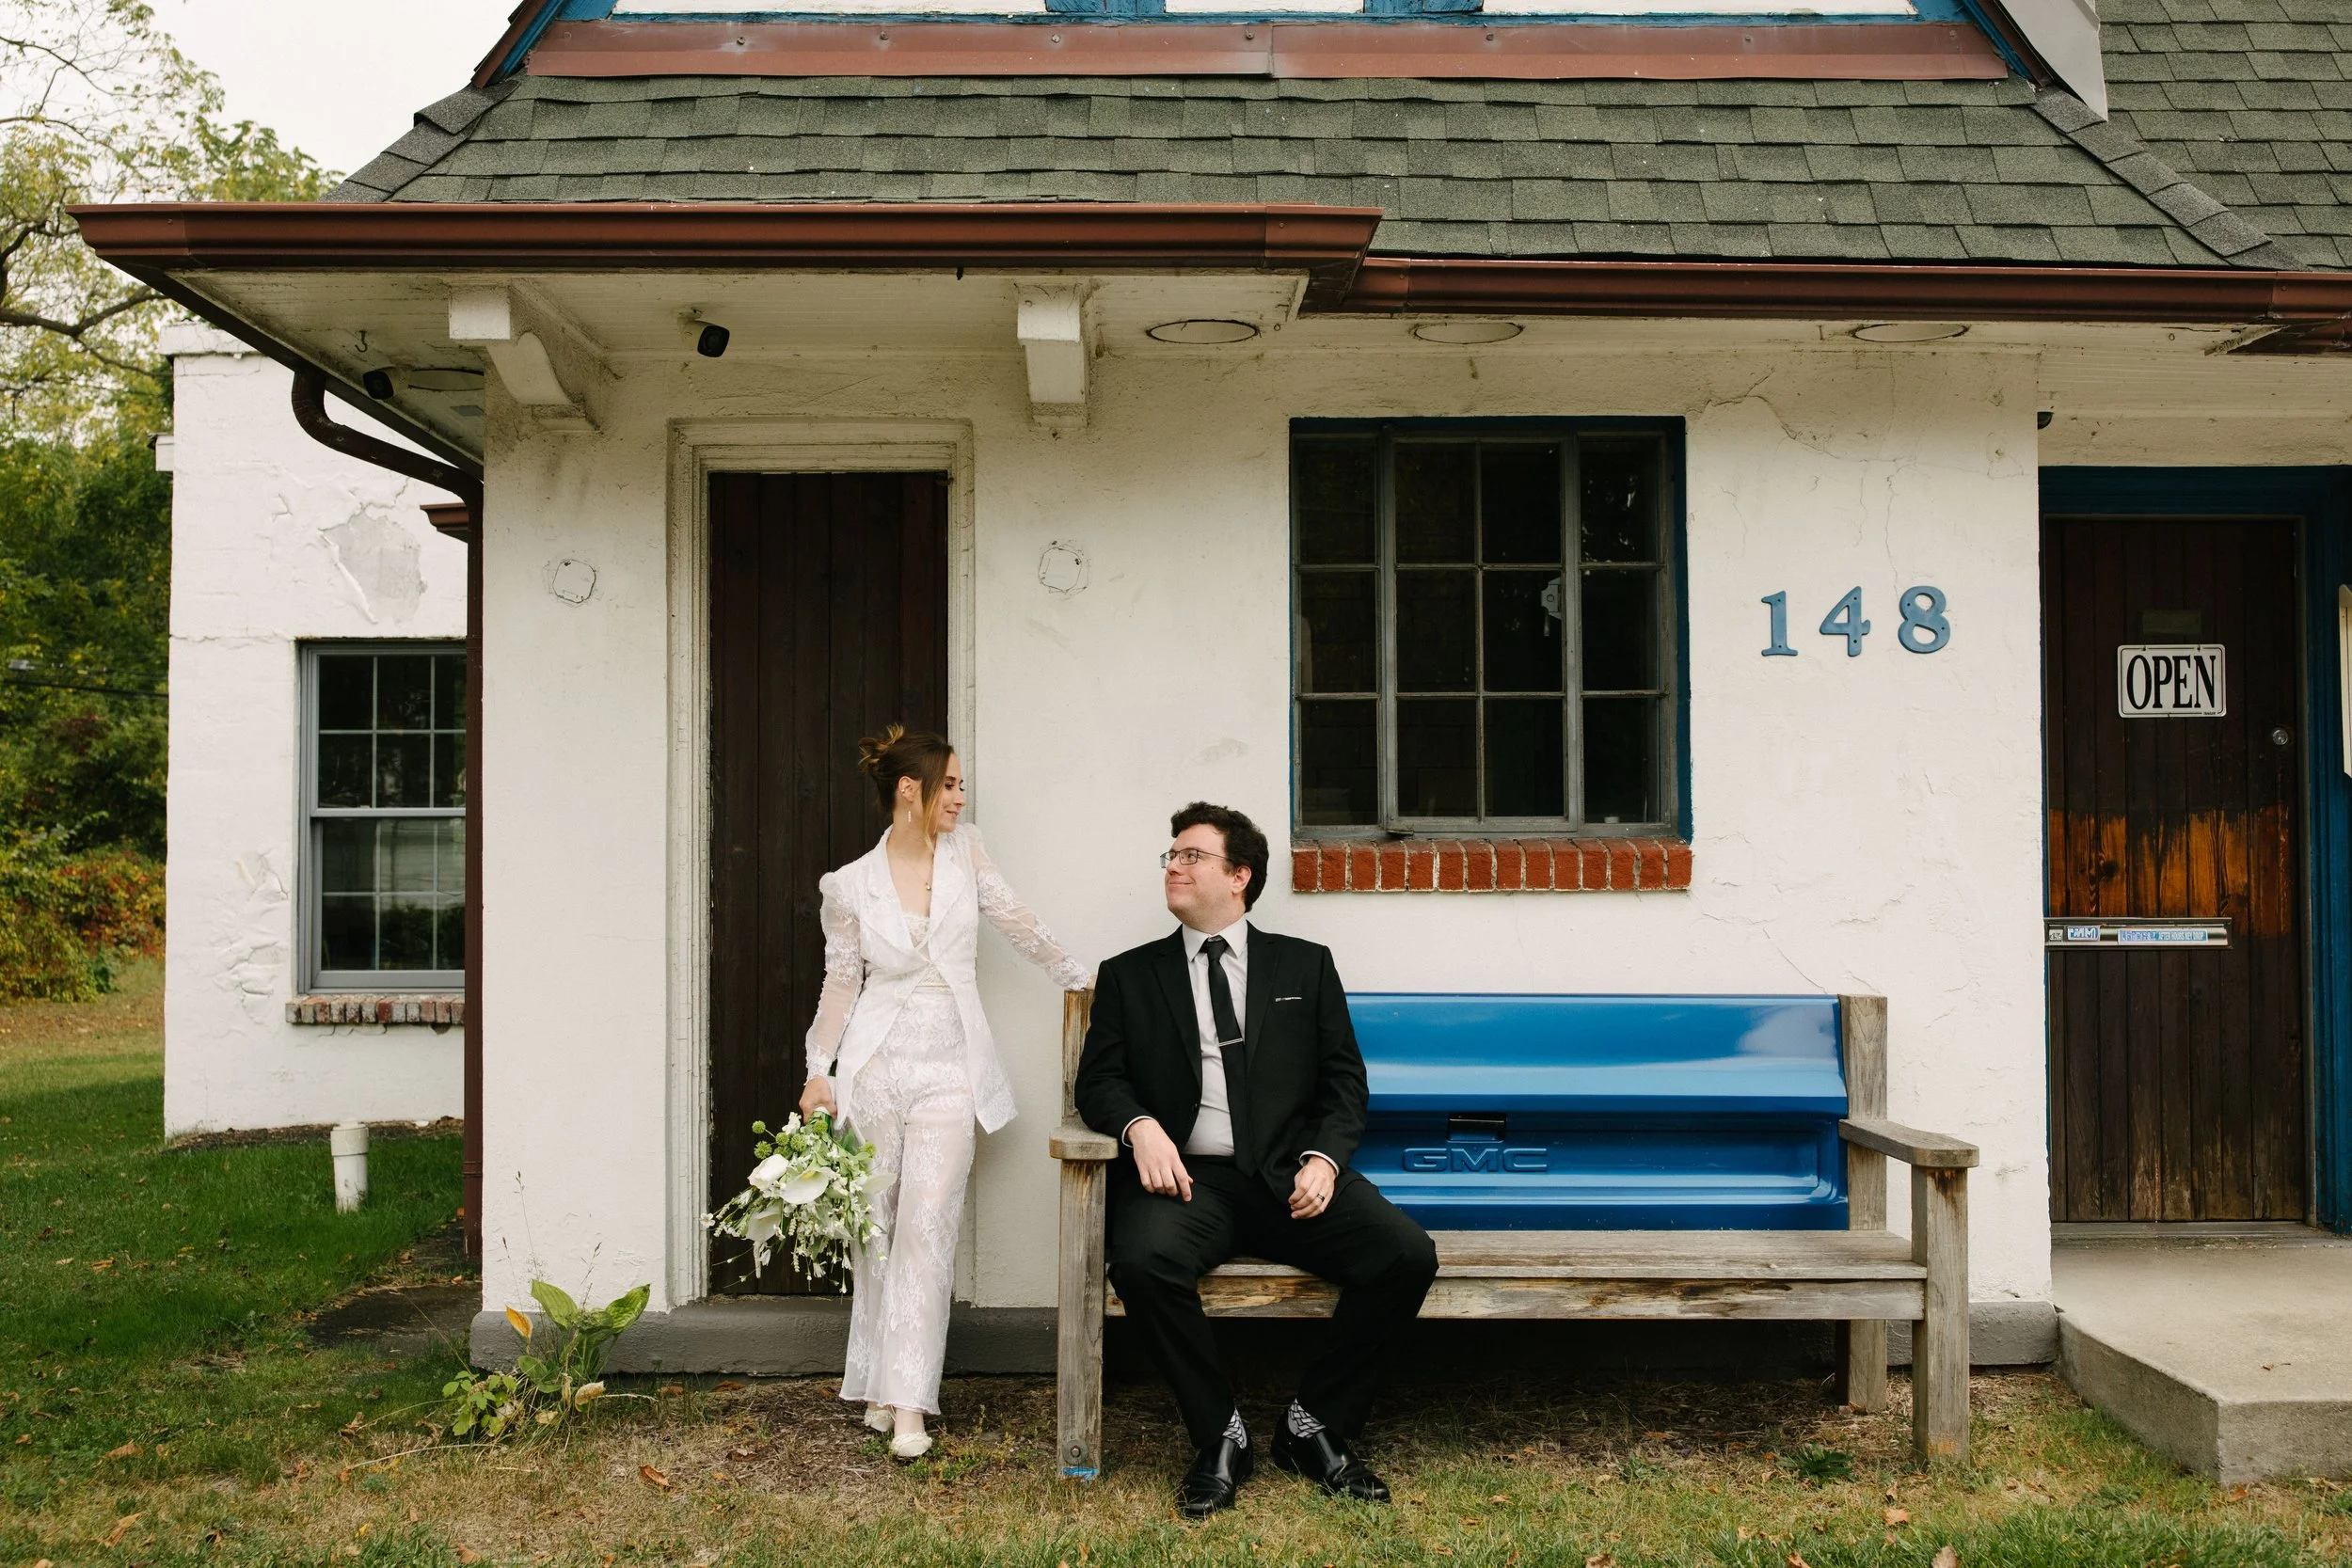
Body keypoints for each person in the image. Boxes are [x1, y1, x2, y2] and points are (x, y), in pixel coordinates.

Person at [1073, 802, 1438, 1518]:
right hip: (1188, 1182)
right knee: (1142, 1263)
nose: (1174, 866)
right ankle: (1220, 1433)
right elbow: (1099, 1081)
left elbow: (1344, 1081)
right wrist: (1140, 1127)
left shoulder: (1305, 964)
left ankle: (1313, 1426)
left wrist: (1324, 1160)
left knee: (1405, 1254)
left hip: (1286, 1176)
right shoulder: (1130, 975)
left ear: (1239, 875)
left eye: (1191, 855)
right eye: (1171, 855)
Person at [799, 726, 1089, 1460]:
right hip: (874, 1069)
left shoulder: (968, 853)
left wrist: (1082, 976)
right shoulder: (848, 885)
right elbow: (841, 984)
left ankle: (909, 1407)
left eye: (961, 785)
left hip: (953, 1065)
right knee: (877, 1228)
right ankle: (876, 1384)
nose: (961, 797)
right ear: (911, 789)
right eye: (950, 784)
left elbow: (1018, 921)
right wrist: (819, 1069)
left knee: (927, 1227)